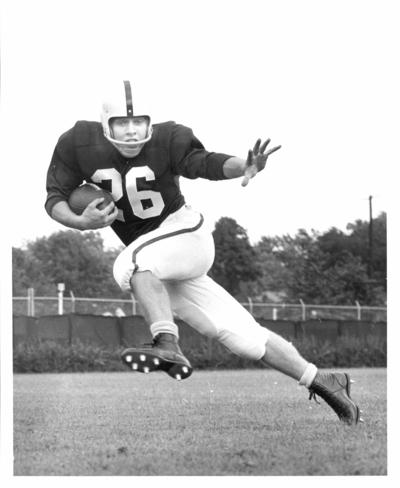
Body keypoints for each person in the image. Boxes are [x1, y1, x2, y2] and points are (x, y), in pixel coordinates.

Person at [45, 80, 362, 425]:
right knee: (243, 338)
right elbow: (55, 198)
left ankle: (166, 341)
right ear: (106, 124)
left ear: (150, 123)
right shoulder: (77, 141)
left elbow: (202, 163)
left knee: (131, 264)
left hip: (184, 236)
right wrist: (80, 222)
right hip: (158, 263)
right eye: (123, 122)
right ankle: (326, 381)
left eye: (138, 122)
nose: (132, 131)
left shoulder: (169, 138)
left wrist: (242, 165)